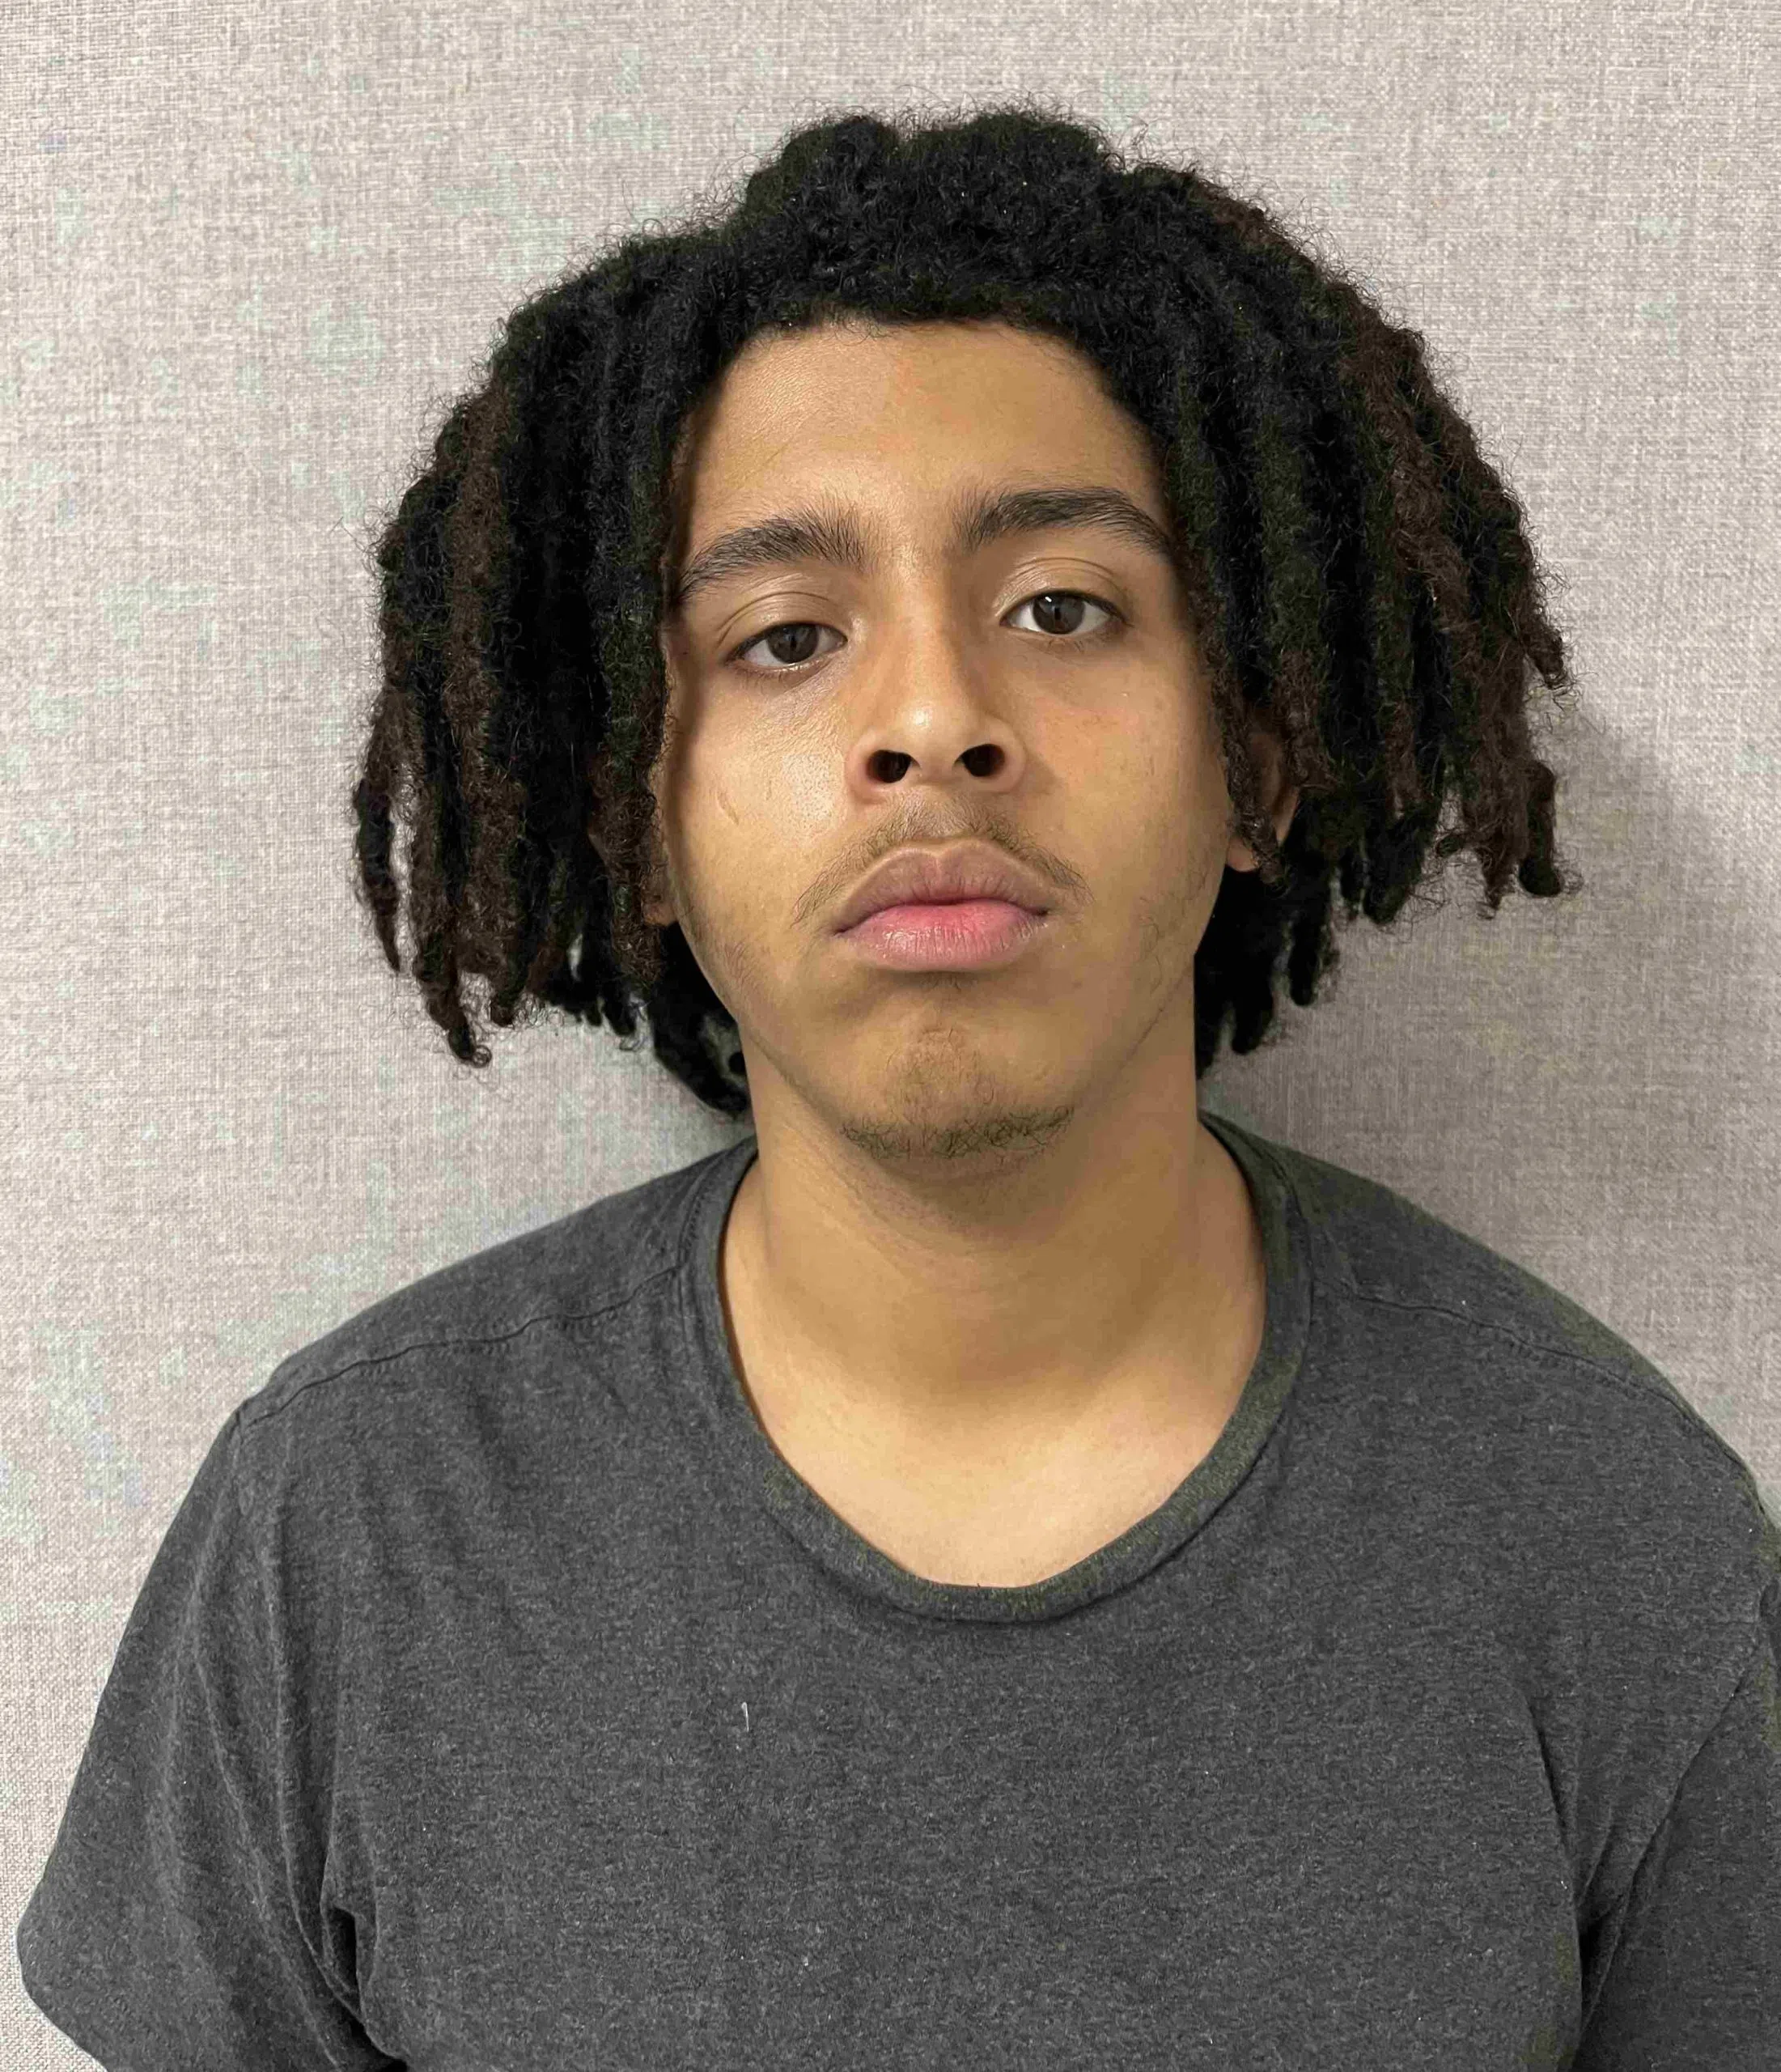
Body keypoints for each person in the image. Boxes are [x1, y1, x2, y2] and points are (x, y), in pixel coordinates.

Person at [18, 101, 1779, 2070]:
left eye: (1061, 607)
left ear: (1259, 752)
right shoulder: (348, 1529)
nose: (932, 719)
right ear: (633, 816)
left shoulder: (1610, 1536)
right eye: (784, 637)